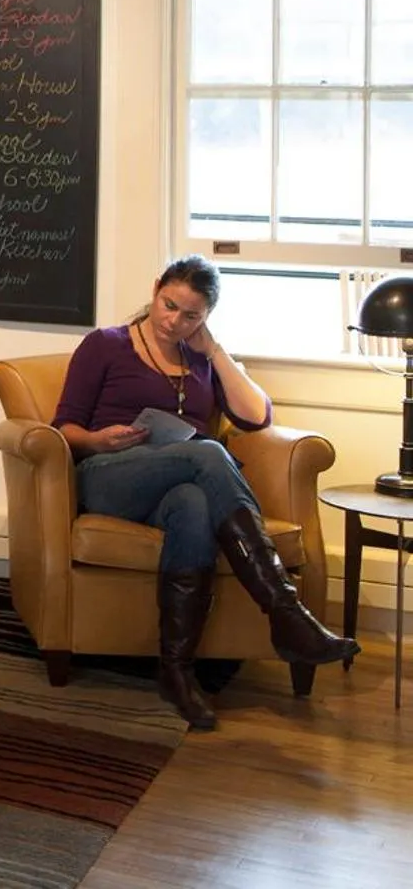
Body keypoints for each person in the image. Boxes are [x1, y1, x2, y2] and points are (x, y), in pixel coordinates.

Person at [52, 255, 359, 729]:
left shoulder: (200, 357)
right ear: (155, 289)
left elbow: (257, 417)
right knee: (209, 453)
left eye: (191, 315)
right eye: (168, 304)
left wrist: (213, 351)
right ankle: (286, 613)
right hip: (108, 474)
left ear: (206, 317)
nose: (174, 320)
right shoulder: (105, 345)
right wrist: (97, 439)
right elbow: (63, 428)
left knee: (194, 505)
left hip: (174, 486)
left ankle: (176, 671)